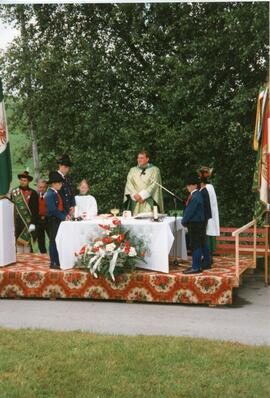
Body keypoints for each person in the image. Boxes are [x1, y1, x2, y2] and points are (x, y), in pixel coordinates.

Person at [123, 150, 164, 216]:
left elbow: (154, 185)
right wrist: (135, 195)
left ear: (147, 159)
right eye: (138, 158)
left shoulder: (155, 170)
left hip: (148, 200)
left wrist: (142, 196)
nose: (139, 160)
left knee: (149, 220)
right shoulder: (132, 170)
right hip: (135, 200)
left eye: (141, 158)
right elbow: (129, 184)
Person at [181, 174, 205, 274]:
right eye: (187, 185)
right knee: (197, 245)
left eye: (189, 185)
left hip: (195, 224)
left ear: (195, 185)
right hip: (198, 223)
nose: (187, 187)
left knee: (195, 245)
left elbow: (189, 211)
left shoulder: (194, 197)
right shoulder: (197, 194)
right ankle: (197, 266)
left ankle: (196, 267)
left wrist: (183, 221)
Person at [46, 171, 70, 269]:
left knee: (58, 240)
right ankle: (53, 262)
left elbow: (60, 207)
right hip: (53, 220)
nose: (61, 185)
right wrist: (63, 217)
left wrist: (66, 215)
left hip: (58, 219)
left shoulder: (56, 193)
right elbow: (53, 209)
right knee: (53, 241)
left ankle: (58, 260)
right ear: (54, 184)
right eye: (59, 183)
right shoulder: (50, 194)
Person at [11, 171, 39, 253]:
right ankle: (19, 260)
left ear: (28, 181)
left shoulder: (33, 193)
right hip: (17, 221)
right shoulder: (14, 192)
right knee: (18, 242)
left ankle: (28, 260)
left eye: (24, 180)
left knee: (27, 243)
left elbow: (35, 210)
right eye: (21, 180)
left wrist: (33, 223)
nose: (22, 182)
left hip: (28, 222)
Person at [198, 166, 220, 259]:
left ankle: (207, 255)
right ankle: (208, 254)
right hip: (210, 215)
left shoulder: (207, 188)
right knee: (210, 230)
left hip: (207, 215)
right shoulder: (210, 187)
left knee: (208, 231)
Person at [36, 179, 49, 254]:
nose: (42, 189)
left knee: (52, 238)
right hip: (39, 220)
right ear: (38, 187)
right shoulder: (36, 196)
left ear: (46, 187)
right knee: (40, 240)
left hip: (48, 220)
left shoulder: (50, 196)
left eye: (44, 187)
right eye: (40, 187)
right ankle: (43, 255)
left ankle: (54, 255)